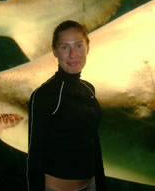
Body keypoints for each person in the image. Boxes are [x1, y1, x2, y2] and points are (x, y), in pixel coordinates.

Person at [27, 20, 106, 191]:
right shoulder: (44, 95)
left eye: (78, 46)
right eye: (64, 47)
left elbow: (93, 143)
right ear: (55, 51)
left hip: (90, 186)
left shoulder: (88, 88)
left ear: (88, 48)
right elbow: (35, 157)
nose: (73, 54)